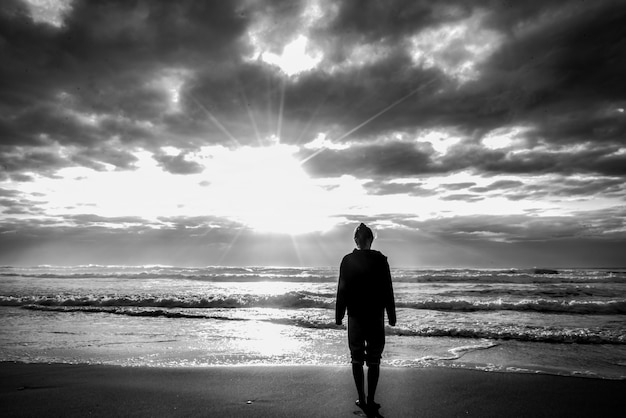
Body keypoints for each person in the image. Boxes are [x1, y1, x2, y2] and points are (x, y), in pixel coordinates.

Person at [336, 223, 396, 417]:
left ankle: (361, 398)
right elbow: (388, 289)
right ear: (371, 239)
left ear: (356, 240)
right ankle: (370, 399)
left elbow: (341, 290)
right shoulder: (380, 259)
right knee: (374, 359)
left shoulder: (347, 260)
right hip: (375, 316)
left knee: (356, 357)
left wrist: (339, 315)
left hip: (355, 316)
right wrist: (391, 315)